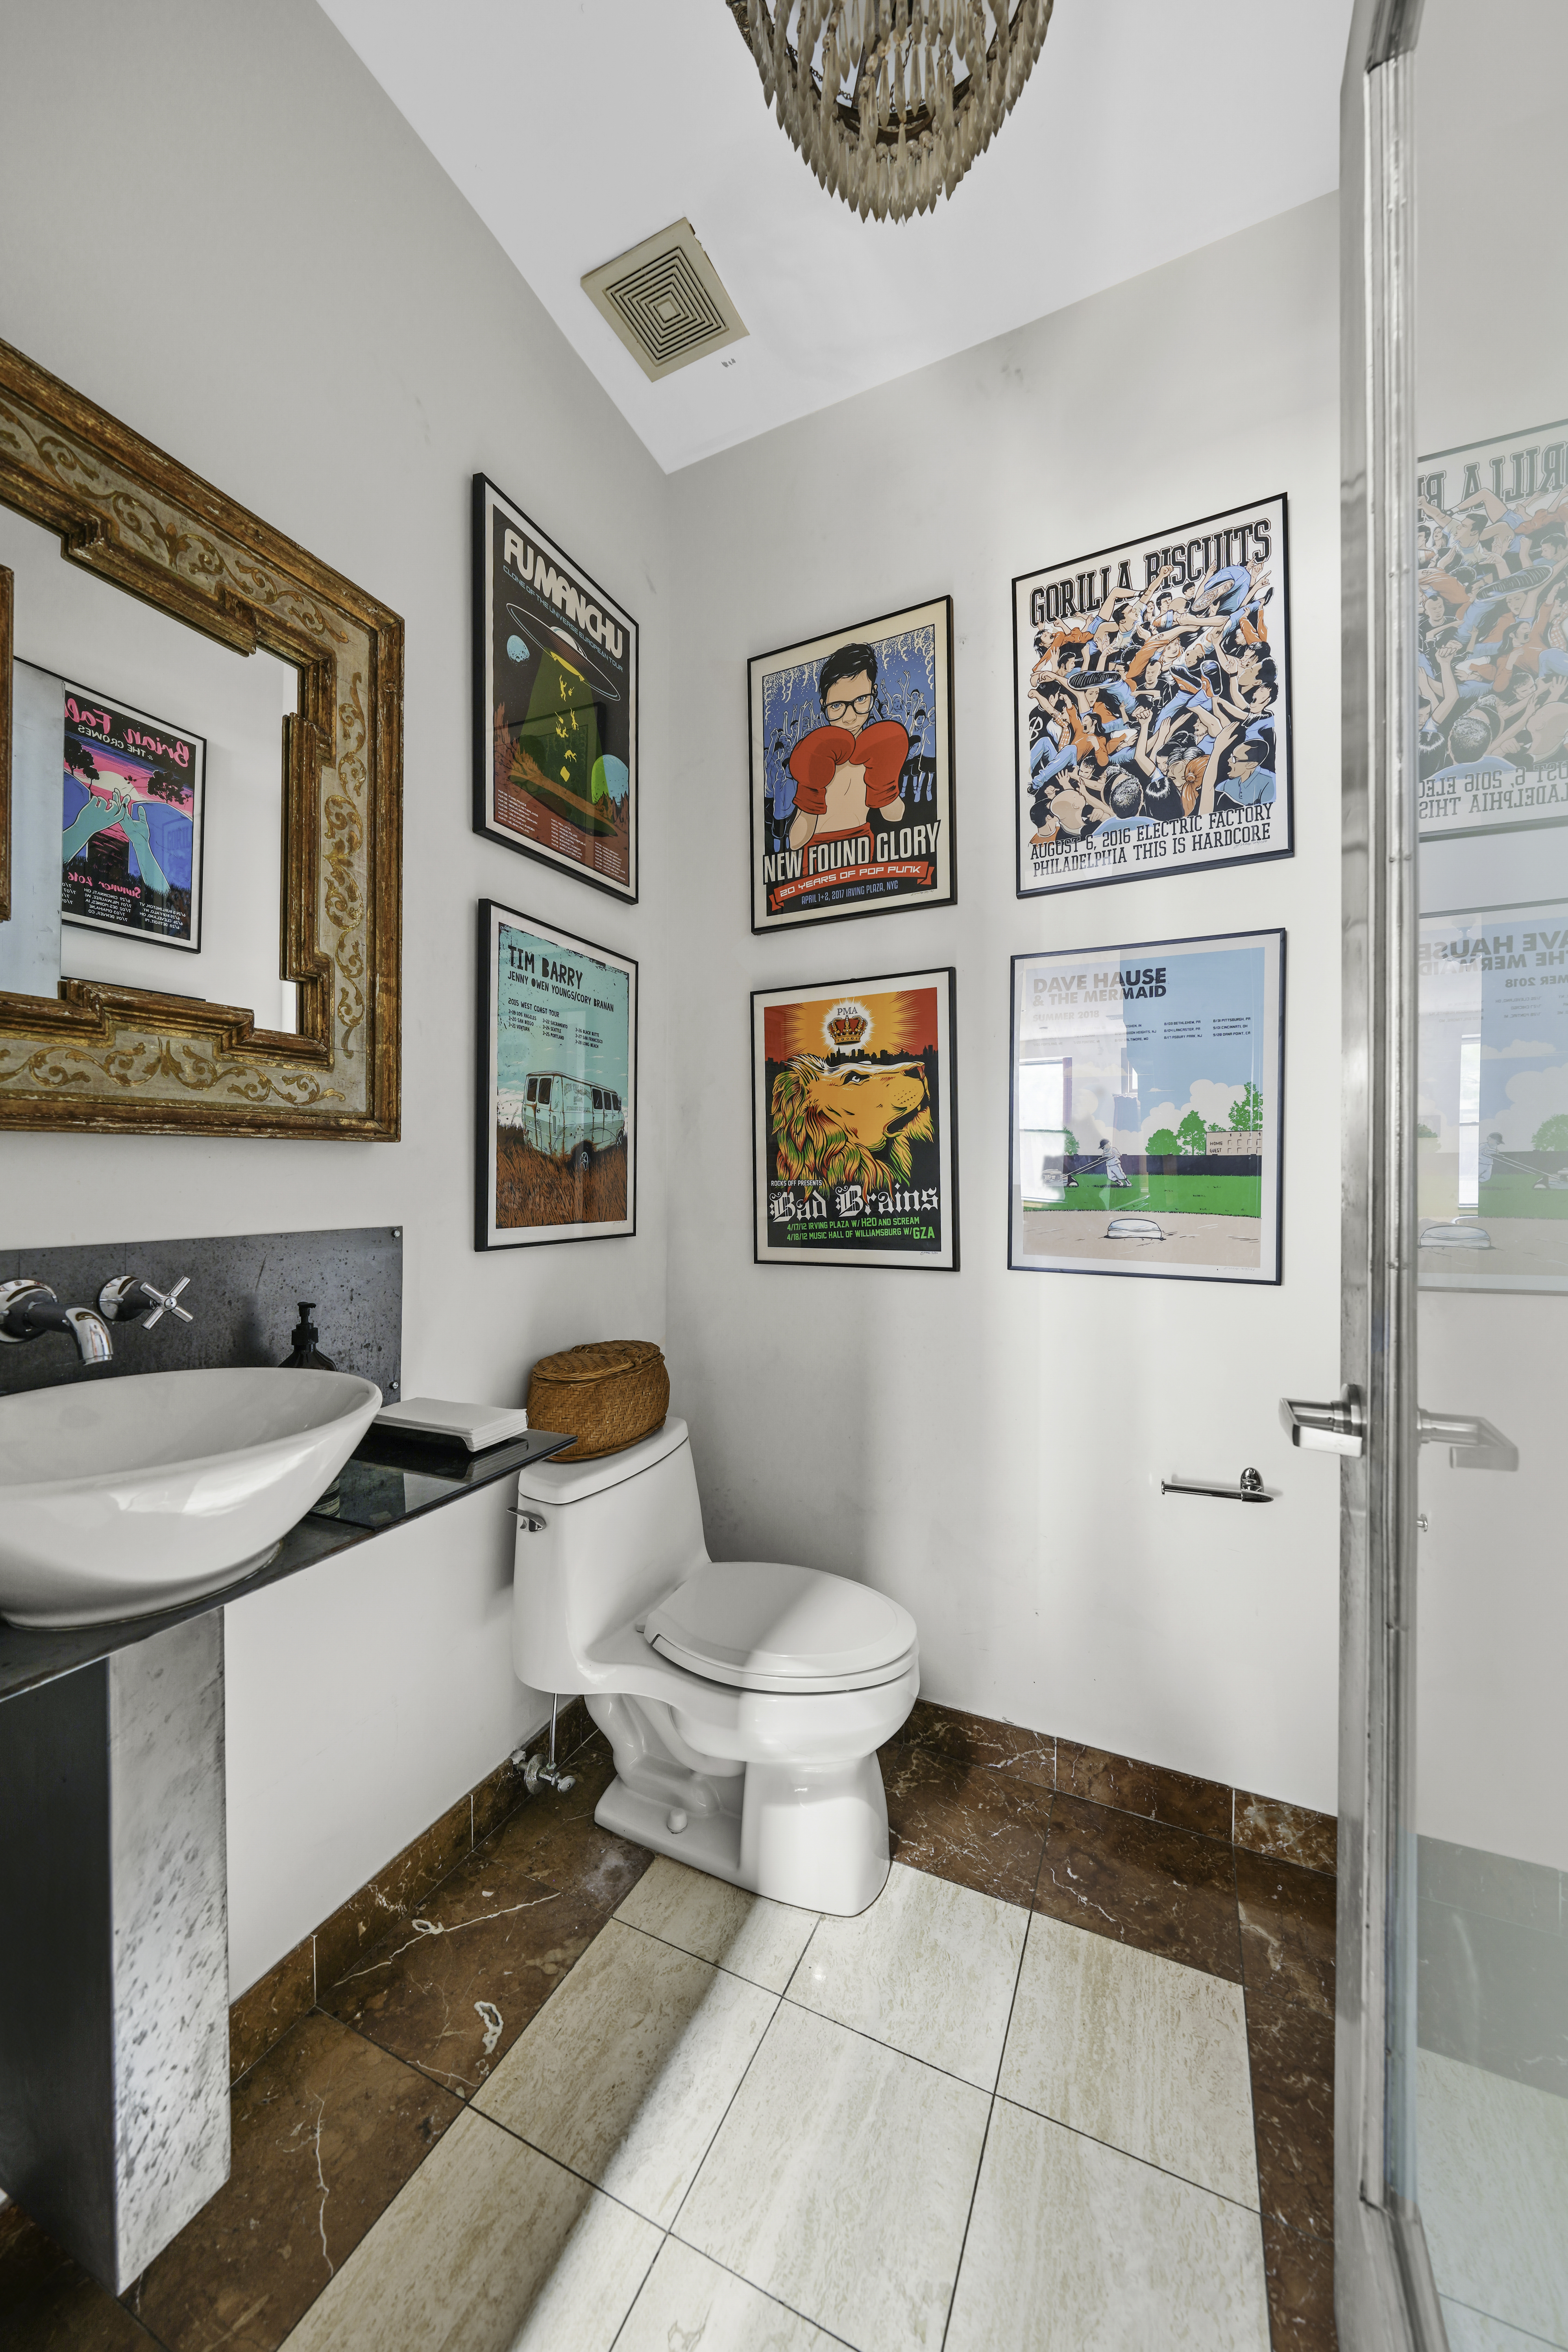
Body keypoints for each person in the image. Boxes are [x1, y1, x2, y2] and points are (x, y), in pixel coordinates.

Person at [787, 643, 908, 853]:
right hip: (818, 852)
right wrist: (812, 791)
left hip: (863, 846)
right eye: (837, 706)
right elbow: (796, 842)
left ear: (874, 693)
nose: (850, 717)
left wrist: (885, 785)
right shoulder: (819, 752)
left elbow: (895, 816)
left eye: (861, 700)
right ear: (824, 704)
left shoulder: (877, 749)